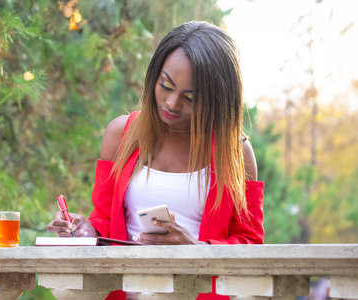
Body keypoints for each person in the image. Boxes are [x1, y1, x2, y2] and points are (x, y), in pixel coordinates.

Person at [47, 21, 264, 299]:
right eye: (166, 85)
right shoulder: (121, 135)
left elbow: (252, 244)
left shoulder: (235, 153)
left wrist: (197, 248)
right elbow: (104, 219)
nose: (172, 103)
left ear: (217, 100)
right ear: (154, 77)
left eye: (190, 97)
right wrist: (86, 229)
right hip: (125, 289)